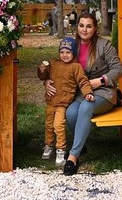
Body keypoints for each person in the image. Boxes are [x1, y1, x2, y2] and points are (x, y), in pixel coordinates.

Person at [45, 12, 122, 176]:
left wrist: (101, 81)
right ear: (77, 27)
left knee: (86, 107)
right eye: (81, 25)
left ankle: (73, 156)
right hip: (81, 91)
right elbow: (58, 67)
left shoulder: (104, 45)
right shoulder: (72, 45)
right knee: (71, 113)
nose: (84, 30)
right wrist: (46, 81)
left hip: (103, 91)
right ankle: (80, 144)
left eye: (89, 26)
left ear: (95, 28)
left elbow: (118, 68)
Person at [37, 37, 94, 166]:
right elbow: (43, 76)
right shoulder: (53, 64)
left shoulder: (76, 67)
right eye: (62, 52)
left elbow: (83, 81)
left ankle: (60, 149)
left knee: (58, 126)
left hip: (63, 103)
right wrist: (42, 70)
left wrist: (88, 93)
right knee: (48, 125)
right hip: (51, 101)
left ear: (73, 53)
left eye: (68, 52)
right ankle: (48, 145)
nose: (65, 55)